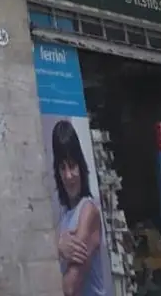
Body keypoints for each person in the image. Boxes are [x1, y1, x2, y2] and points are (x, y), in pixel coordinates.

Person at [52, 120, 109, 296]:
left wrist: (56, 250)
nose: (68, 176)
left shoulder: (88, 211)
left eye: (72, 166)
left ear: (81, 166)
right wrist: (57, 247)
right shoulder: (64, 215)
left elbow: (69, 288)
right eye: (62, 168)